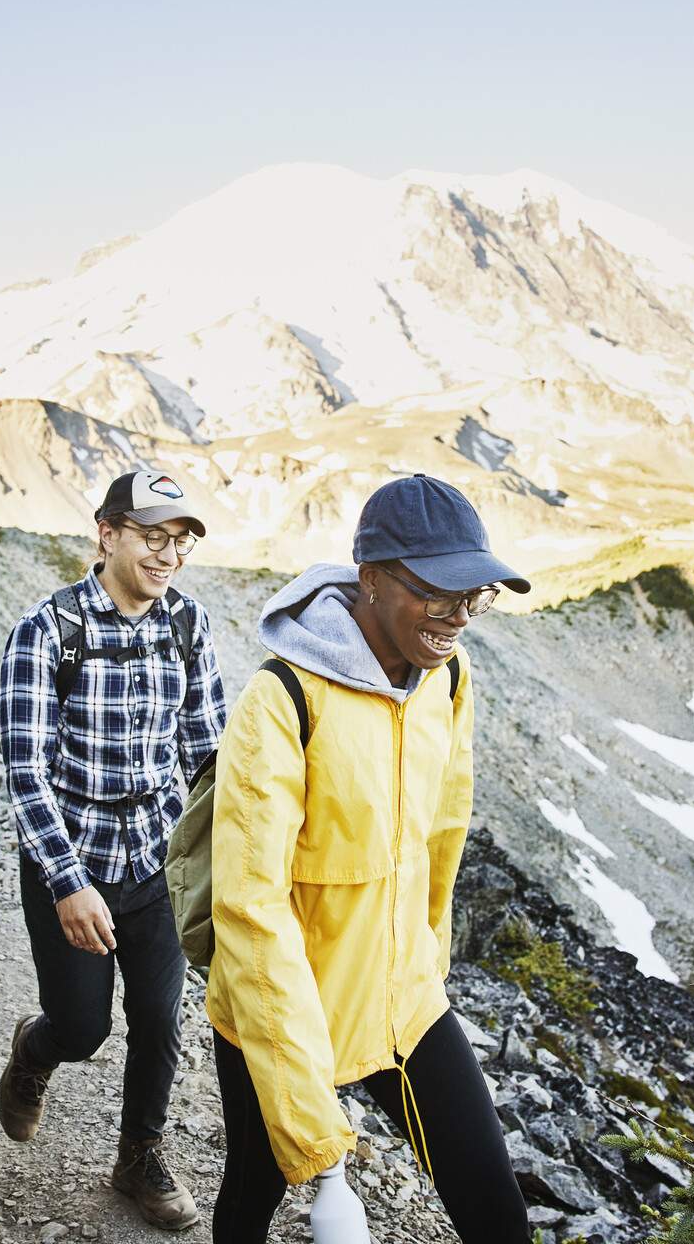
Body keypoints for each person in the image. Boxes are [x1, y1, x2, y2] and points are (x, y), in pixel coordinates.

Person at [205, 473, 531, 1242]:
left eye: (475, 598)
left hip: (405, 1000)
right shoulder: (281, 701)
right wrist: (324, 1158)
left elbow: (443, 832)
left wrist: (429, 960)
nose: (458, 620)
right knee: (250, 1200)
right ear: (373, 578)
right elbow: (251, 914)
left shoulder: (446, 677)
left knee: (498, 1217)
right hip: (284, 1009)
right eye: (440, 596)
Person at [0, 469, 227, 1232]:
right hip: (73, 861)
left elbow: (206, 750)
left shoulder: (187, 625)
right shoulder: (47, 630)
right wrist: (67, 882)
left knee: (162, 1018)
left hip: (159, 860)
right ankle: (35, 1050)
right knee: (84, 1027)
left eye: (181, 541)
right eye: (153, 537)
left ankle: (138, 1158)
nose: (168, 556)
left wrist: (233, 845)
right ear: (108, 532)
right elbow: (25, 771)